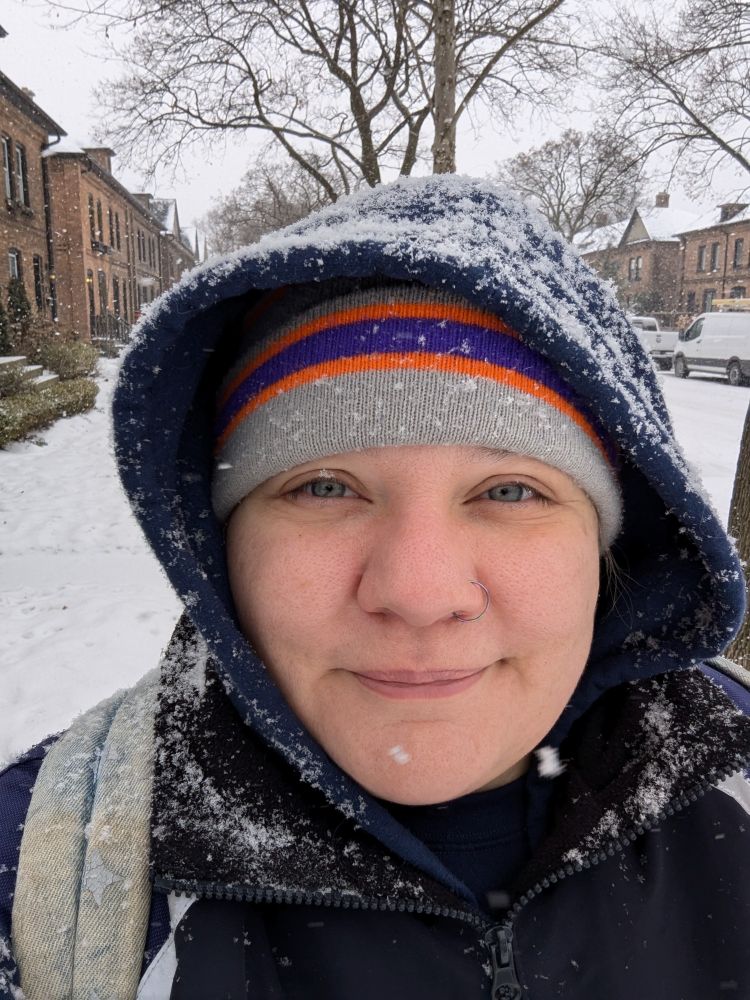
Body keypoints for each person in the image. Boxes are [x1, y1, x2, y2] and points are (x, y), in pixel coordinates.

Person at [1, 175, 750, 1000]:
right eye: (324, 487)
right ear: (223, 550)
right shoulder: (43, 866)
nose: (421, 592)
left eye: (509, 492)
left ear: (606, 547)